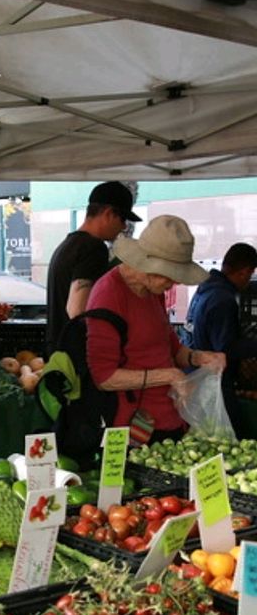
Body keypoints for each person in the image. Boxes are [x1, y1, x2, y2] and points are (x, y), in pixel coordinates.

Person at [86, 215, 226, 443]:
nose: (176, 283)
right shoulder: (108, 296)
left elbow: (169, 348)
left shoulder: (154, 292)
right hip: (132, 429)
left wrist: (198, 357)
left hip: (170, 419)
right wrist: (170, 376)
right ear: (149, 267)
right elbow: (104, 377)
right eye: (172, 276)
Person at [46, 181, 141, 355]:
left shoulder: (67, 245)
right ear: (108, 213)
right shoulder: (93, 247)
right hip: (78, 356)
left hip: (58, 350)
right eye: (122, 219)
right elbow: (77, 311)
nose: (124, 226)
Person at [182, 242, 257, 434]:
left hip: (196, 375)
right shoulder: (223, 299)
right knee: (230, 436)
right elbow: (226, 348)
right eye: (250, 275)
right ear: (243, 272)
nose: (248, 280)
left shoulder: (205, 289)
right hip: (213, 379)